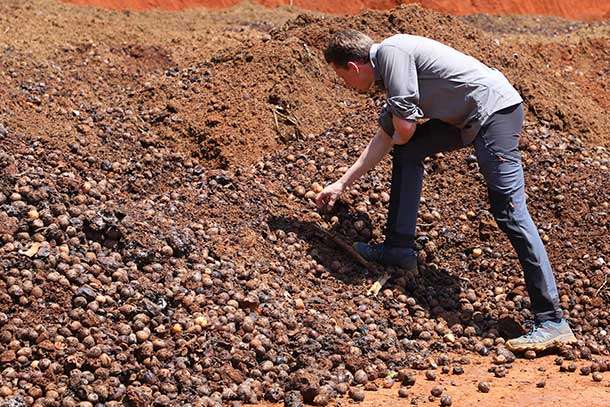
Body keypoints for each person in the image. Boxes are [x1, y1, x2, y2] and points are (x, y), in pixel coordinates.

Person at [315, 29, 576, 352]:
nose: (346, 85)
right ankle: (399, 249)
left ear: (354, 68)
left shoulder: (393, 54)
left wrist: (401, 130)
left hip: (494, 113)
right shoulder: (391, 70)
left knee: (510, 211)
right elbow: (388, 136)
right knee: (408, 152)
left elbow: (405, 129)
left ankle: (551, 320)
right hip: (466, 117)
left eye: (343, 78)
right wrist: (342, 183)